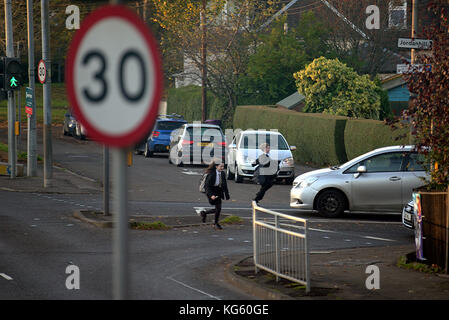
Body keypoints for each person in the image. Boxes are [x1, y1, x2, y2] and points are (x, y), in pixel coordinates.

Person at [199, 159, 230, 230]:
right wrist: (211, 195)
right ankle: (204, 213)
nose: (222, 168)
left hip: (218, 191)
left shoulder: (222, 173)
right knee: (216, 207)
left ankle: (216, 223)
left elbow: (224, 184)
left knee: (218, 208)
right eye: (221, 166)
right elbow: (207, 186)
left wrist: (227, 194)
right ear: (216, 166)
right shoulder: (211, 174)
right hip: (211, 191)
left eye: (223, 166)